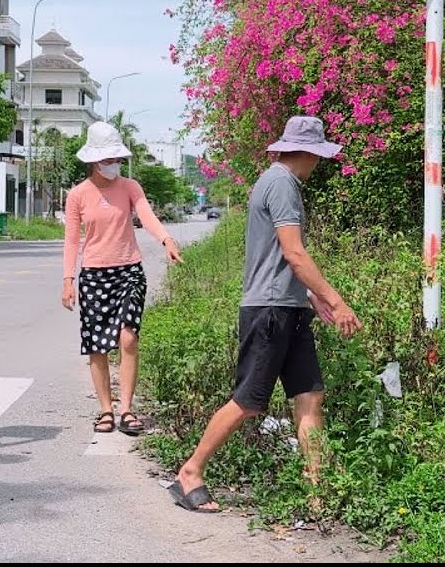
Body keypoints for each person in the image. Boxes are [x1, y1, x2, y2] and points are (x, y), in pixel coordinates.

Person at [169, 116, 362, 513]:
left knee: (309, 395)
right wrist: (335, 300)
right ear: (307, 153)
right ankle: (191, 471)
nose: (318, 164)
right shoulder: (281, 184)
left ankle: (317, 490)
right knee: (249, 400)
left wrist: (310, 296)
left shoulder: (278, 182)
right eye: (318, 156)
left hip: (289, 306)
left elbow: (277, 258)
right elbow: (294, 253)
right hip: (270, 311)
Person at [62, 122, 183, 436]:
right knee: (97, 344)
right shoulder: (77, 195)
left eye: (116, 158)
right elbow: (72, 240)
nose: (113, 163)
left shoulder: (130, 187)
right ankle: (106, 410)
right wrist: (68, 279)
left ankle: (127, 409)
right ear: (94, 160)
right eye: (108, 159)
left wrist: (166, 239)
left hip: (129, 270)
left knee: (128, 338)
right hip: (94, 274)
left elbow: (147, 216)